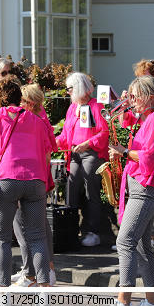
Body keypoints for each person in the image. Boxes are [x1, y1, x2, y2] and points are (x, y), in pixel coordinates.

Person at [0, 76, 54, 287]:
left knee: (1, 238)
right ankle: (44, 291)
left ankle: (3, 292)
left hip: (7, 179)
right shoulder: (36, 119)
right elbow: (47, 148)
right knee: (38, 236)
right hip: (35, 179)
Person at [108, 76, 154, 306]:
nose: (133, 100)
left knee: (125, 241)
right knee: (142, 248)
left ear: (150, 97)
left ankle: (123, 301)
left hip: (147, 188)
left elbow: (150, 156)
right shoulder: (151, 119)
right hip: (144, 187)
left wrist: (123, 152)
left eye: (136, 96)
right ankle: (152, 302)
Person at [10, 83, 58, 286]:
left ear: (29, 103)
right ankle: (43, 269)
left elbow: (46, 154)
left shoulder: (33, 121)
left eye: (21, 101)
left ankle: (33, 272)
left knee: (25, 225)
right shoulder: (40, 120)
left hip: (28, 176)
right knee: (37, 225)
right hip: (37, 176)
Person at [56, 72, 108, 247]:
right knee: (71, 187)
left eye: (70, 89)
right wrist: (54, 142)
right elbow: (65, 134)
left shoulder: (96, 106)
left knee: (90, 191)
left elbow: (104, 133)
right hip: (74, 154)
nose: (68, 92)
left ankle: (92, 231)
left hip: (91, 153)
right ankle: (70, 229)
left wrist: (88, 143)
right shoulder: (73, 108)